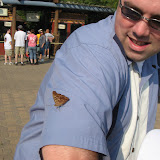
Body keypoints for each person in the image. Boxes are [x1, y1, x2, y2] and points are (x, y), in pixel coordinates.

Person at [14, 0, 160, 159]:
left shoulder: (151, 54)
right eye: (131, 12)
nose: (140, 31)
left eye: (158, 22)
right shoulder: (89, 53)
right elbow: (68, 153)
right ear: (119, 4)